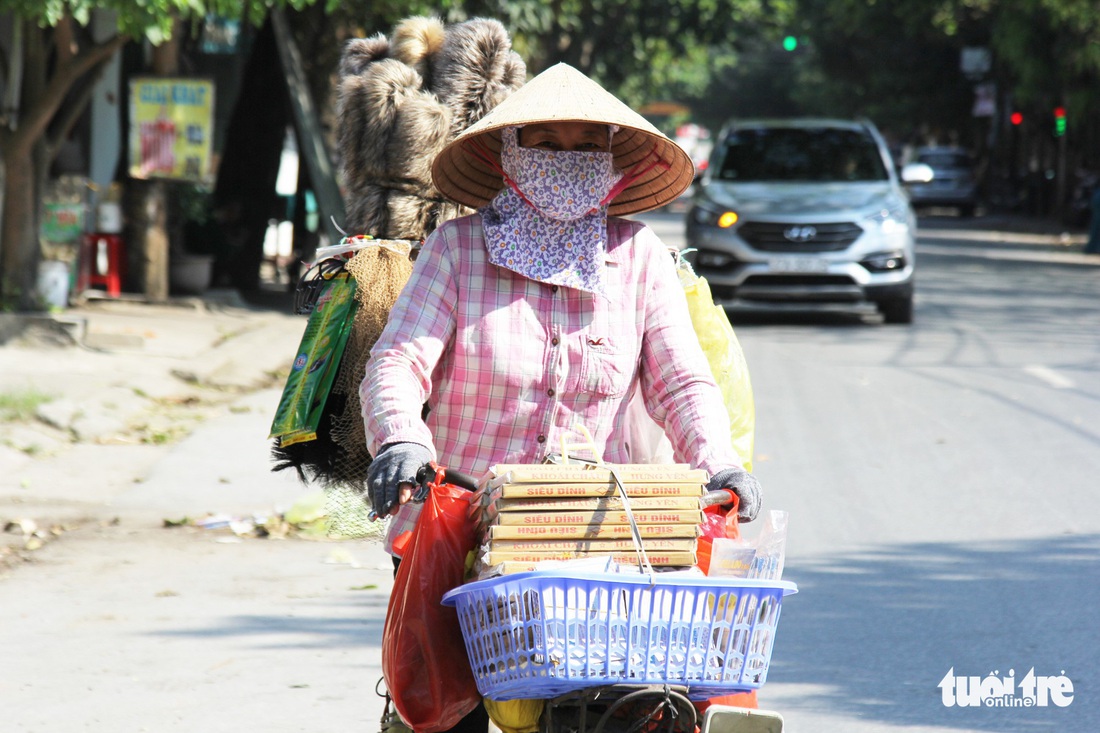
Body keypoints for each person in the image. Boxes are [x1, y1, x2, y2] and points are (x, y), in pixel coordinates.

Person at [360, 63, 764, 729]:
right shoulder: (456, 250)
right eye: (544, 142)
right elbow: (399, 360)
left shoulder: (638, 257)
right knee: (437, 711)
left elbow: (682, 379)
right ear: (509, 154)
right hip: (461, 532)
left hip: (593, 540)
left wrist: (719, 461)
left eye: (585, 145)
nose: (565, 159)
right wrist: (401, 437)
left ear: (611, 159)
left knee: (628, 707)